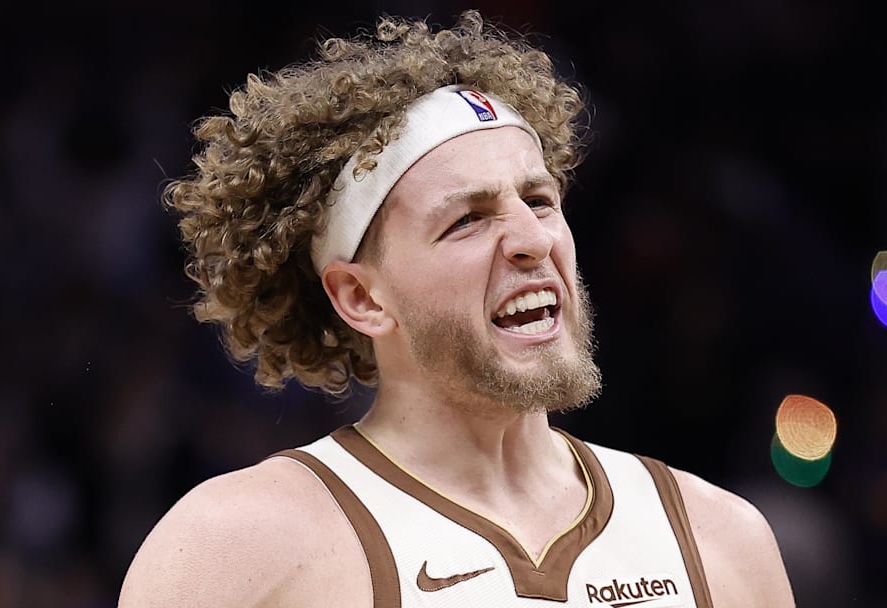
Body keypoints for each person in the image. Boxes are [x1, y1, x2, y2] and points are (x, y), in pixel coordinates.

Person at [117, 10, 796, 608]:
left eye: (538, 200)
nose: (531, 240)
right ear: (362, 296)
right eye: (468, 220)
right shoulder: (234, 551)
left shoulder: (721, 542)